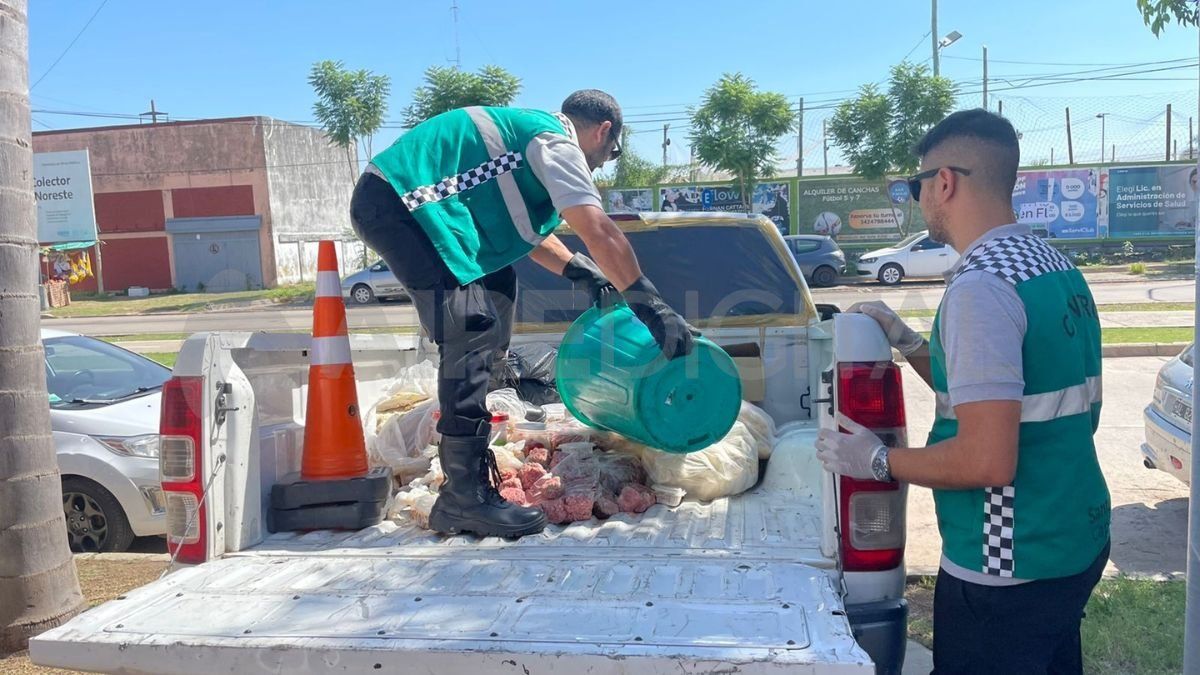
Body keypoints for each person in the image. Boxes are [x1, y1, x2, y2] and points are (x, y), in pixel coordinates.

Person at [814, 109, 1110, 674]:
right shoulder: (1051, 266)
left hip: (1006, 563)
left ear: (944, 182)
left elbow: (987, 459)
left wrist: (878, 460)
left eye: (916, 184)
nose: (918, 197)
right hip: (1076, 536)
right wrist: (907, 340)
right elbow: (1003, 396)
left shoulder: (982, 287)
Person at [350, 90, 695, 539]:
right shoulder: (554, 143)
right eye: (612, 153)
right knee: (471, 324)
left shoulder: (523, 151)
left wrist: (583, 273)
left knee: (497, 289)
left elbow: (533, 238)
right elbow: (598, 229)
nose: (606, 162)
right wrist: (651, 304)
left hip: (418, 208)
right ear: (603, 131)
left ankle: (477, 427)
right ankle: (463, 498)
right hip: (400, 205)